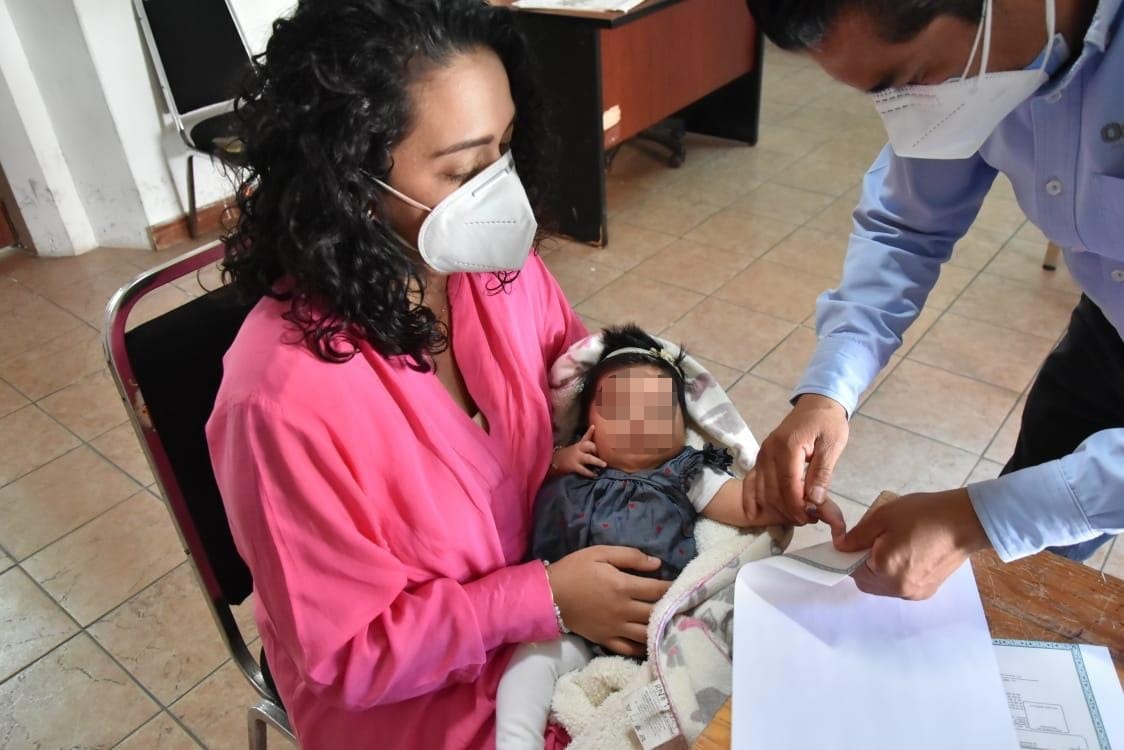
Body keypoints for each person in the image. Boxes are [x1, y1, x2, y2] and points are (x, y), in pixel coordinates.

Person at [205, 2, 671, 747]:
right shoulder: (281, 403)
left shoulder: (493, 272)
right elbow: (351, 655)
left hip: (556, 606)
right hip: (415, 695)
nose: (500, 193)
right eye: (463, 170)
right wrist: (540, 599)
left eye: (505, 150)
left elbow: (584, 389)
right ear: (349, 175)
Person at [743, 0, 1124, 600]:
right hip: (1107, 320)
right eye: (884, 96)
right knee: (1021, 561)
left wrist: (977, 519)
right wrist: (830, 390)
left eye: (914, 77)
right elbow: (906, 226)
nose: (914, 110)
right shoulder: (970, 71)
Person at [495, 324, 793, 749]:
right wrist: (556, 460)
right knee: (525, 668)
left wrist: (789, 499)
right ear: (584, 420)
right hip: (567, 626)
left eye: (657, 411)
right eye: (619, 409)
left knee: (681, 702)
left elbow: (746, 505)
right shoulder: (570, 463)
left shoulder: (686, 473)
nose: (638, 423)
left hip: (650, 632)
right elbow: (519, 477)